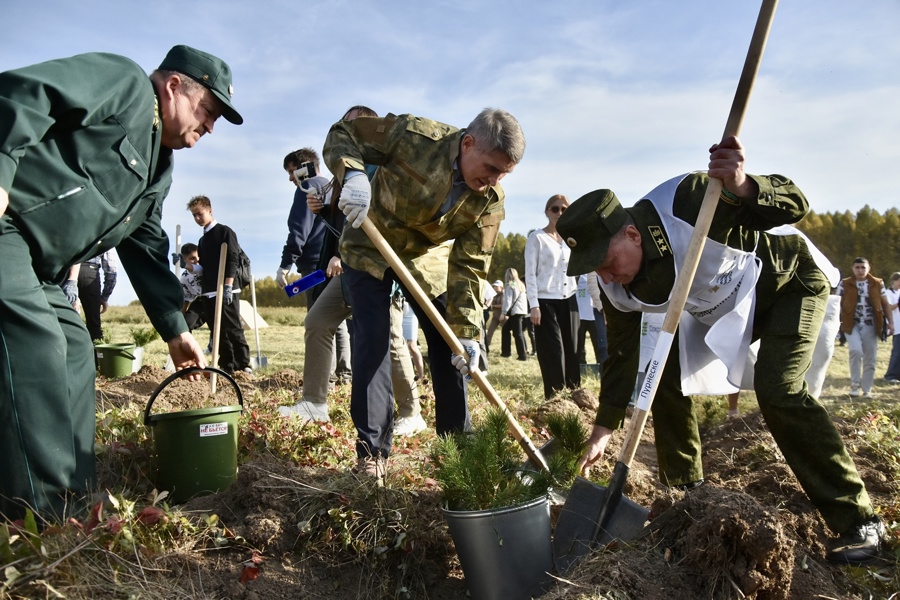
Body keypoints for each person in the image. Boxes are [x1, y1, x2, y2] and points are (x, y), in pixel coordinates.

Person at [559, 136, 884, 566]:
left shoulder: (689, 202)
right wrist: (604, 426)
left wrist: (744, 184)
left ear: (633, 234)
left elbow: (795, 202)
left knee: (779, 389)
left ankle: (859, 520)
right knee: (662, 373)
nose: (606, 276)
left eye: (606, 261)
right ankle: (687, 497)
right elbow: (622, 354)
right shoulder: (614, 285)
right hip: (721, 309)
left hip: (788, 282)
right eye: (595, 268)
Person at [0, 44, 240, 521]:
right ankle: (36, 515)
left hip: (43, 267)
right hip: (9, 230)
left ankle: (74, 493)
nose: (210, 126)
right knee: (35, 342)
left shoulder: (160, 169)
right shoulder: (124, 83)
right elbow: (24, 94)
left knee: (74, 351)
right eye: (208, 110)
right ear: (174, 87)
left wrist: (175, 328)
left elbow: (145, 242)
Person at [324, 107, 525, 481]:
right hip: (371, 243)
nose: (495, 179)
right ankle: (372, 453)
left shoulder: (490, 199)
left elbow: (470, 267)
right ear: (467, 144)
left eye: (504, 173)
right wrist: (353, 174)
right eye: (491, 168)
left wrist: (467, 331)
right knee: (373, 341)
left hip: (425, 257)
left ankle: (457, 449)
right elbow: (343, 133)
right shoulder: (414, 137)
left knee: (452, 347)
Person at [188, 195, 252, 375]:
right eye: (194, 216)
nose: (197, 219)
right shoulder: (202, 240)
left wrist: (228, 285)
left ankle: (243, 364)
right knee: (218, 330)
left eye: (200, 214)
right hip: (210, 291)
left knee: (232, 327)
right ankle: (227, 364)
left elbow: (232, 258)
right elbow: (203, 269)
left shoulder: (224, 232)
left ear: (210, 210)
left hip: (226, 288)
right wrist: (188, 266)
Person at [525, 194, 581, 399]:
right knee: (553, 351)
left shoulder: (571, 240)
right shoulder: (537, 238)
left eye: (564, 209)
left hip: (570, 298)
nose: (559, 213)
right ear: (547, 212)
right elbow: (530, 273)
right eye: (555, 209)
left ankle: (574, 394)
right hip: (545, 301)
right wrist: (534, 305)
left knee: (573, 349)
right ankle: (555, 397)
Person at [275, 148, 328, 308]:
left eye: (292, 172)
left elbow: (299, 230)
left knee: (317, 321)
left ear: (305, 167)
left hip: (313, 266)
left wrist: (285, 265)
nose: (291, 178)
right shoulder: (331, 186)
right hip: (332, 261)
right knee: (336, 321)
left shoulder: (307, 187)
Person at [839, 257, 892, 398]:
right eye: (857, 267)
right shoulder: (845, 284)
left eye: (863, 267)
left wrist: (890, 323)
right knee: (855, 351)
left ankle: (867, 389)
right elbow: (837, 303)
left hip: (871, 324)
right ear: (852, 268)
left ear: (869, 268)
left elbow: (885, 304)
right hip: (852, 324)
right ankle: (854, 386)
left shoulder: (877, 283)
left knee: (870, 357)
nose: (860, 270)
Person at [72, 251, 118, 341]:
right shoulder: (105, 236)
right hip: (89, 273)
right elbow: (111, 269)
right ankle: (97, 353)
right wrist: (105, 296)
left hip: (67, 271)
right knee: (94, 324)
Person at [499, 267, 528, 360]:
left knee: (517, 333)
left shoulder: (510, 284)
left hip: (515, 312)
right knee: (508, 330)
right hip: (521, 311)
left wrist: (503, 313)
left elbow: (508, 300)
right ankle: (507, 352)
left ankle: (521, 355)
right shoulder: (521, 285)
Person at [575, 273, 602, 368]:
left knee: (598, 343)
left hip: (593, 315)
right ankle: (581, 366)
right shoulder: (575, 276)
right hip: (579, 316)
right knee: (579, 345)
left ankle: (600, 366)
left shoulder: (594, 274)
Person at [178, 243, 207, 333]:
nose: (196, 260)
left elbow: (199, 269)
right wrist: (180, 322)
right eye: (192, 258)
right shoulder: (184, 278)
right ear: (184, 260)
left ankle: (213, 344)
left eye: (197, 257)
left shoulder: (206, 266)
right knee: (186, 324)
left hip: (215, 297)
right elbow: (186, 300)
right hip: (202, 300)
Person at [585, 272, 609, 366]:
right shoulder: (595, 259)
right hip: (602, 309)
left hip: (622, 308)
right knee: (604, 347)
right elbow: (592, 284)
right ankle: (606, 378)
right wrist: (603, 309)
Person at [883, 272, 900, 382]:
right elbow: (888, 307)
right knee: (897, 351)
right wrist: (898, 304)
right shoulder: (888, 293)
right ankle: (890, 375)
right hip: (897, 326)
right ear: (894, 280)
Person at [484, 280, 504, 351]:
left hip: (502, 315)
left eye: (496, 286)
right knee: (490, 331)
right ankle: (487, 346)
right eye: (494, 286)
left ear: (501, 287)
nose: (495, 287)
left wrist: (493, 306)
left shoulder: (503, 295)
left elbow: (503, 305)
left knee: (505, 332)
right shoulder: (494, 295)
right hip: (495, 316)